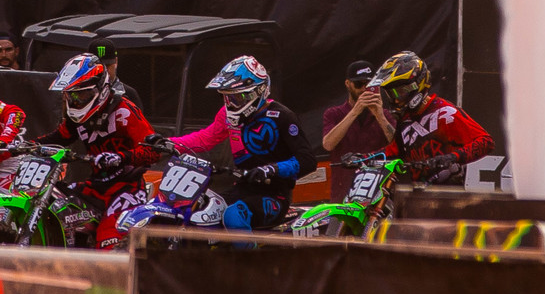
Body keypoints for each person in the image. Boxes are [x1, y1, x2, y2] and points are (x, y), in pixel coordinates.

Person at [166, 55, 315, 226]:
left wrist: (271, 169)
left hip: (275, 195)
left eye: (237, 98)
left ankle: (245, 245)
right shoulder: (227, 115)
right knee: (198, 211)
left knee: (234, 215)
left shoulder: (283, 116)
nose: (230, 104)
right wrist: (169, 143)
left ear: (257, 92)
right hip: (241, 188)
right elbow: (205, 138)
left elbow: (307, 160)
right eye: (227, 98)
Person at [47, 50, 174, 248]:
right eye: (71, 96)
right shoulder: (76, 117)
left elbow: (153, 151)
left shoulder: (124, 110)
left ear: (100, 89)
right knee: (53, 205)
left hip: (127, 188)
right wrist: (25, 146)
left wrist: (121, 157)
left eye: (81, 94)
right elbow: (58, 137)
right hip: (95, 186)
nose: (76, 101)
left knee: (107, 238)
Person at [372, 51, 493, 189]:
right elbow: (392, 152)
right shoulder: (406, 120)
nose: (396, 100)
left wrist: (452, 157)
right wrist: (362, 158)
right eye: (391, 94)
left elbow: (486, 142)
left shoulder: (445, 113)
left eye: (400, 92)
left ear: (416, 86)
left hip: (448, 193)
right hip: (418, 192)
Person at [320, 60, 397, 198]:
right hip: (344, 190)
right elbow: (328, 144)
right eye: (358, 84)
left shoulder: (385, 114)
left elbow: (398, 144)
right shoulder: (334, 114)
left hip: (377, 191)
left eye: (368, 85)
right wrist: (355, 111)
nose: (363, 89)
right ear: (347, 83)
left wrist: (379, 115)